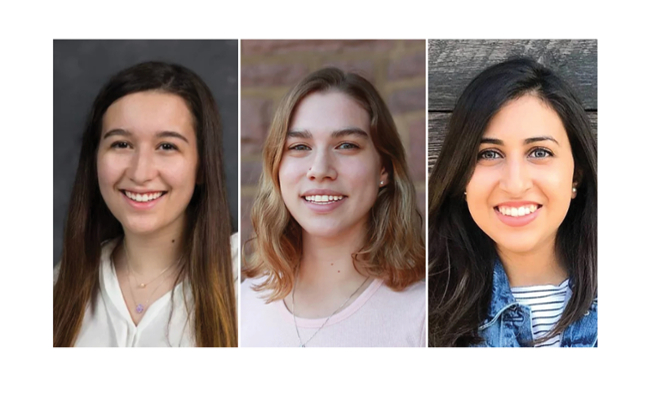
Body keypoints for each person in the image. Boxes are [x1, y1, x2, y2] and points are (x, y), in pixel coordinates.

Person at [53, 61, 237, 347]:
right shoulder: (59, 286)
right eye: (121, 144)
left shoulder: (250, 278)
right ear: (95, 159)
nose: (140, 173)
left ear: (202, 166)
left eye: (167, 146)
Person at [241, 67, 426, 347]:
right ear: (277, 167)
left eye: (346, 145)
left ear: (384, 169)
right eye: (300, 147)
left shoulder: (423, 313)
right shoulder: (242, 304)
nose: (319, 170)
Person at [428, 58, 597, 347]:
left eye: (540, 152)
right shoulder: (419, 312)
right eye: (489, 154)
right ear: (461, 176)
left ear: (576, 173)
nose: (515, 184)